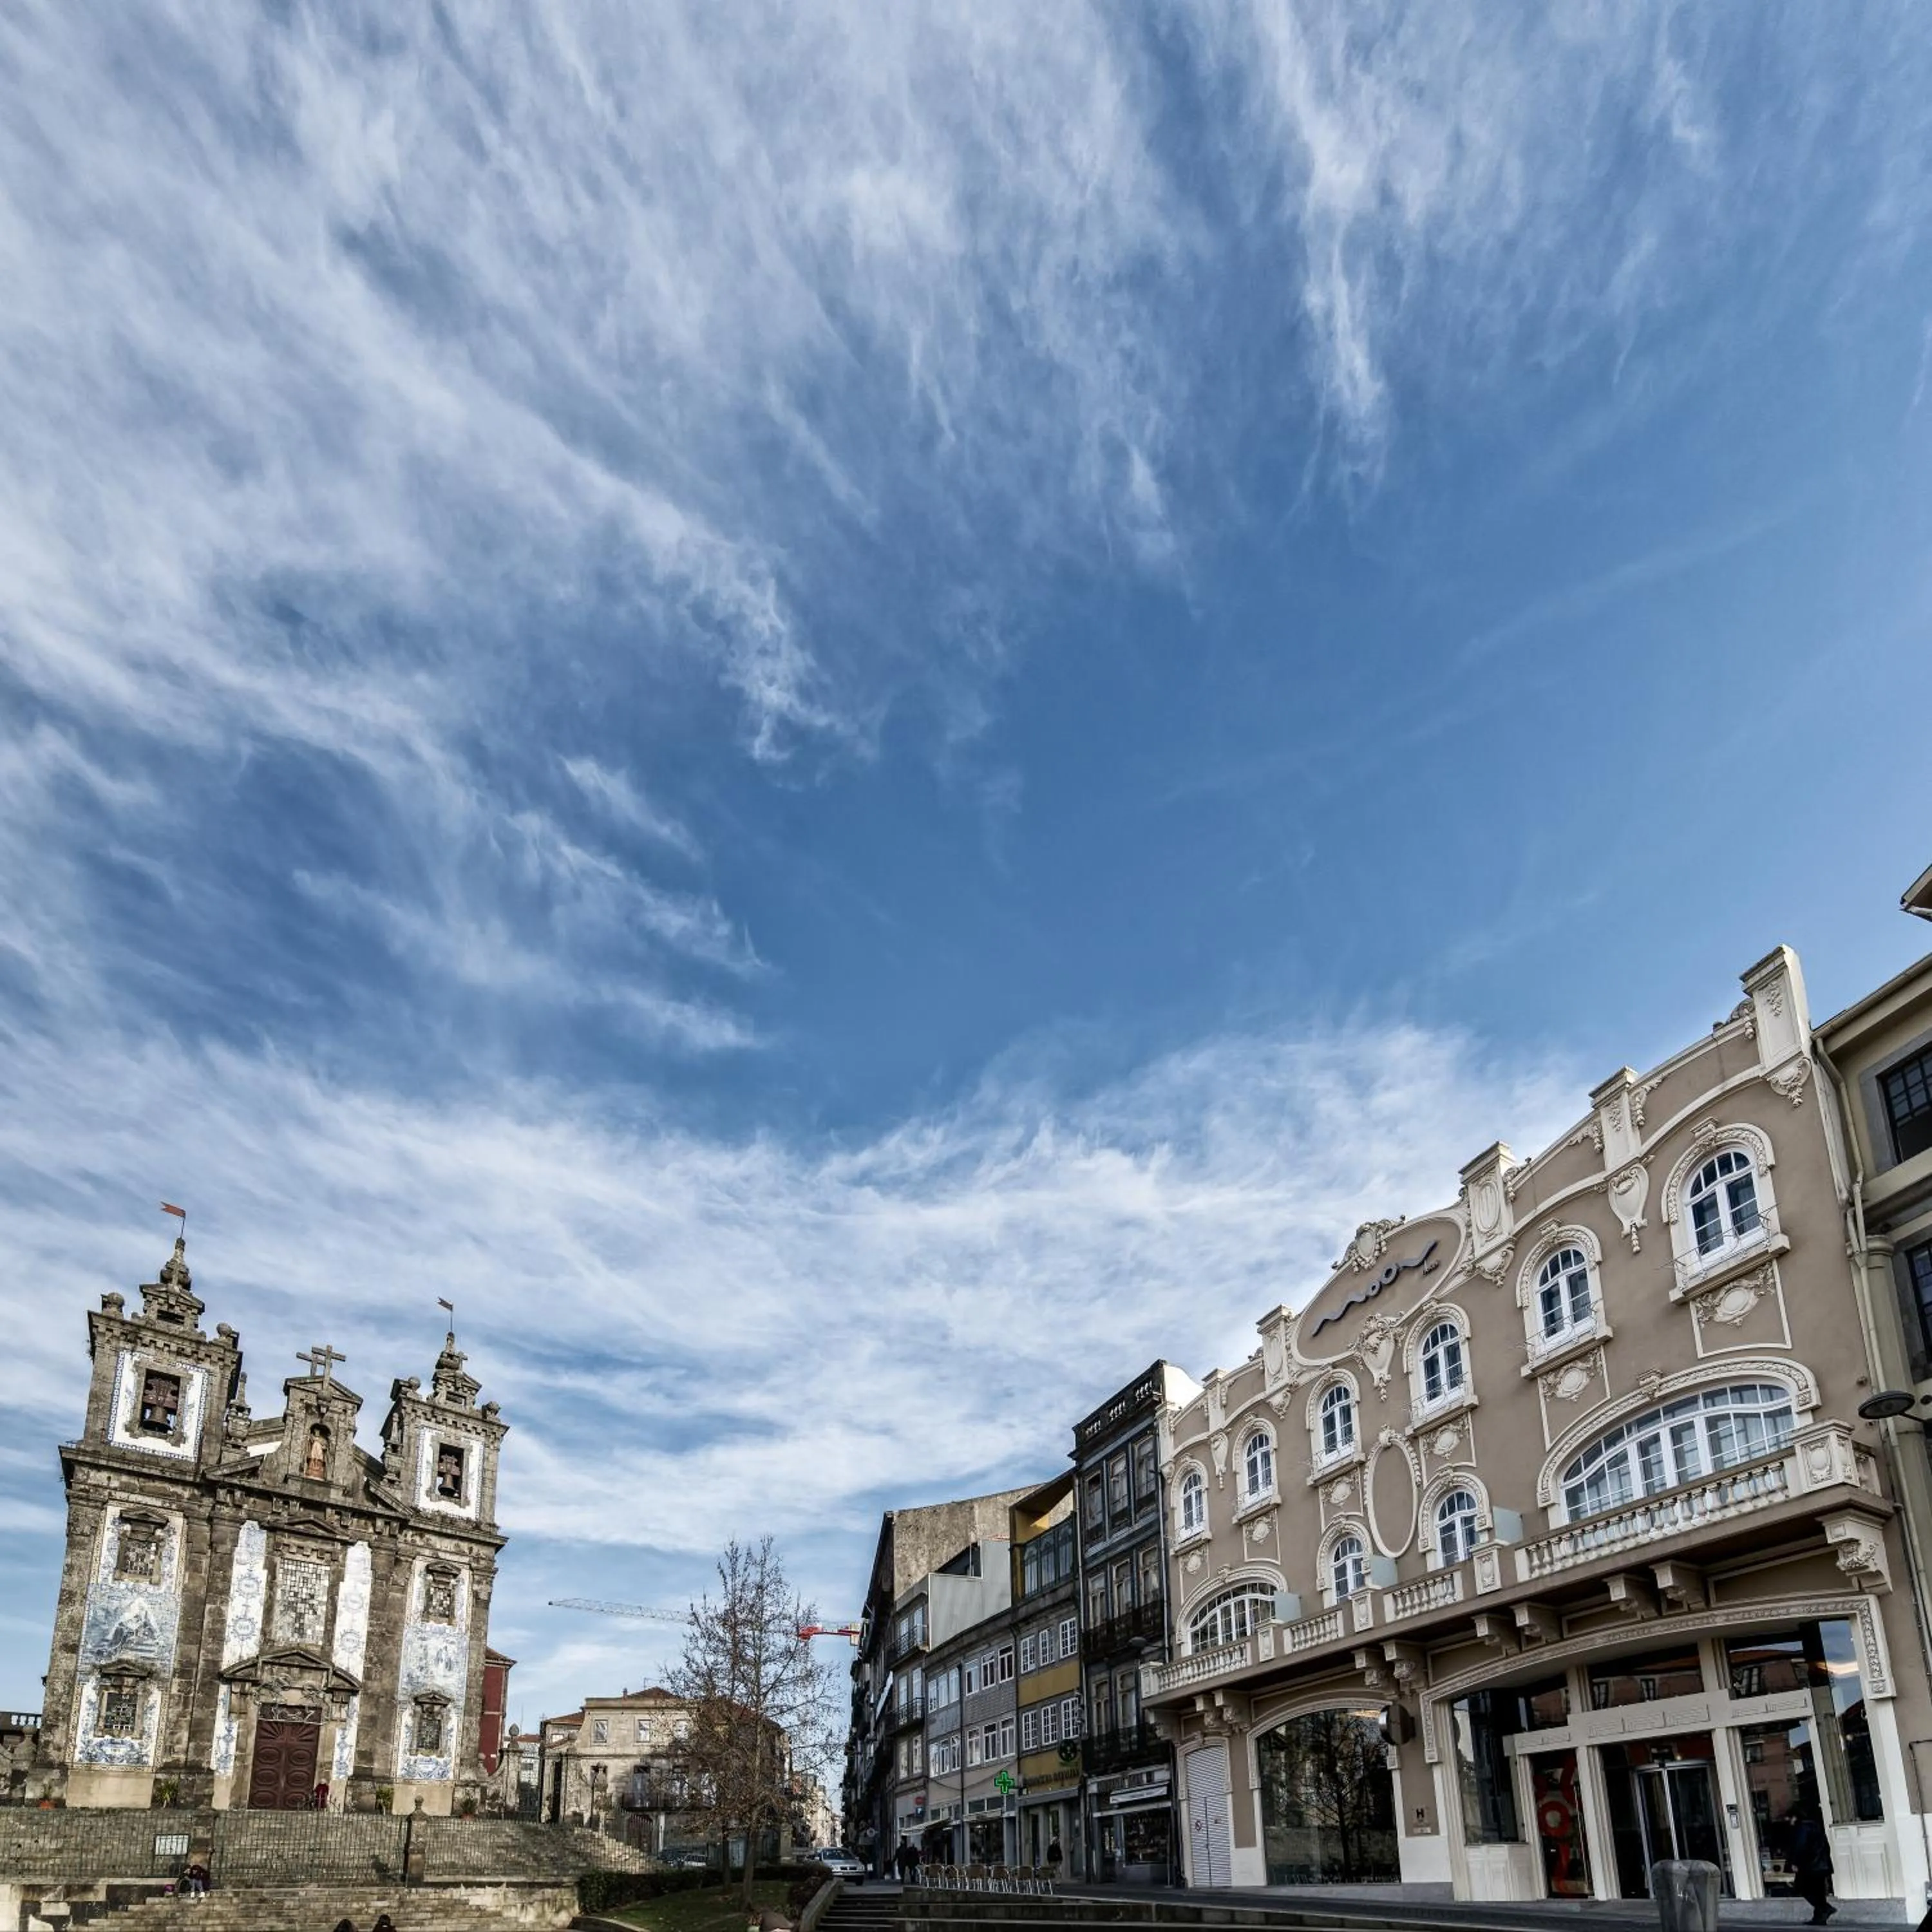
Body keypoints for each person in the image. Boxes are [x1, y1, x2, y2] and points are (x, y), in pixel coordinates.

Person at [1787, 1808, 1835, 1926]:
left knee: (1802, 1888)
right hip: (1821, 1865)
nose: (1789, 1821)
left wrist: (1795, 1862)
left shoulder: (1803, 1829)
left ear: (1795, 1818)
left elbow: (1801, 1846)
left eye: (1790, 1818)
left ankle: (1824, 1908)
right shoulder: (1816, 1827)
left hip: (1810, 1866)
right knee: (1819, 1892)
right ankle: (1819, 1918)